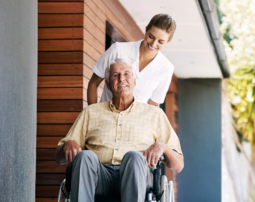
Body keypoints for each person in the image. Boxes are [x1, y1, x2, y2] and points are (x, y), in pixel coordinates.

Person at [55, 59, 184, 202]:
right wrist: (67, 145)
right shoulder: (90, 112)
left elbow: (178, 165)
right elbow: (59, 158)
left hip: (136, 176)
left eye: (127, 74)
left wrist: (163, 147)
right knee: (85, 157)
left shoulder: (155, 114)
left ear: (135, 82)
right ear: (109, 85)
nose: (121, 78)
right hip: (99, 177)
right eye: (115, 75)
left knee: (134, 157)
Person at [88, 14, 176, 107]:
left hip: (137, 120)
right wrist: (93, 115)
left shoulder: (166, 69)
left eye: (160, 42)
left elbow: (153, 105)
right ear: (146, 29)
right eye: (151, 36)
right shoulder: (118, 50)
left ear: (168, 42)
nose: (153, 44)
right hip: (106, 118)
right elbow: (93, 83)